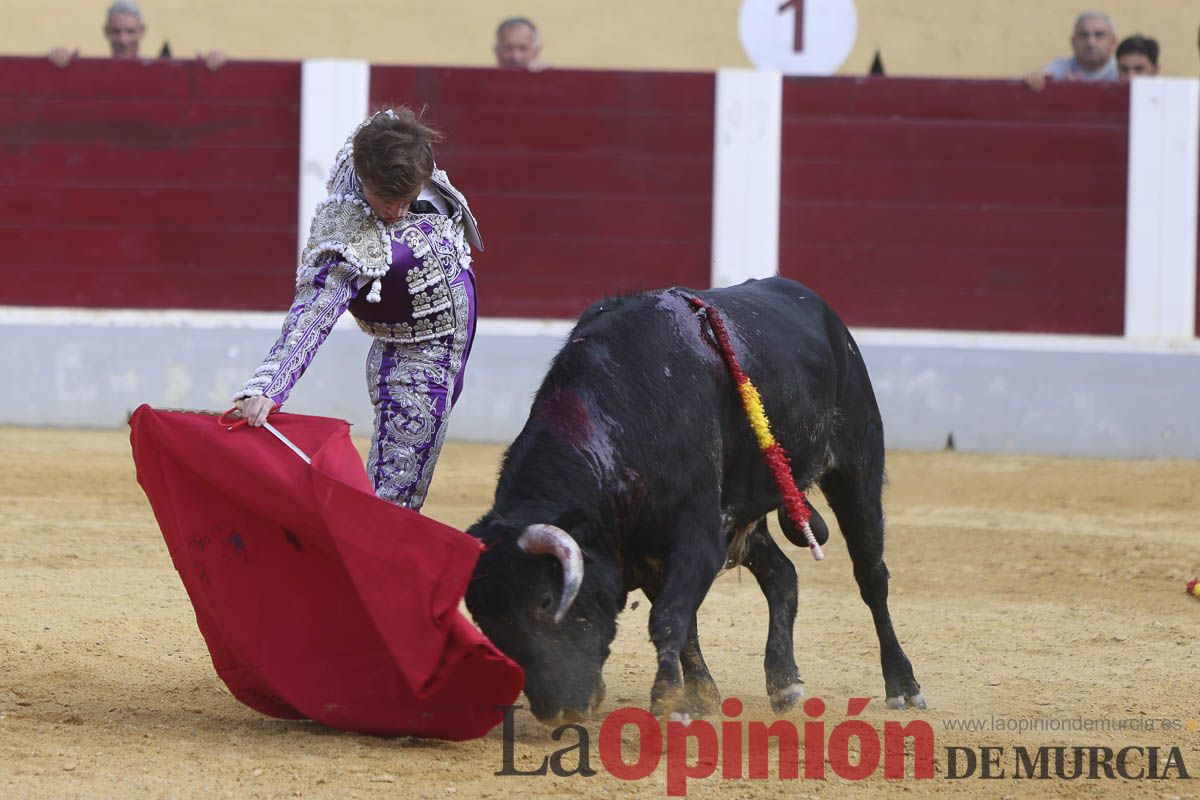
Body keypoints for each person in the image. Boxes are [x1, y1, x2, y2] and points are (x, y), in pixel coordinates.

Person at [234, 107, 483, 512]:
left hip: (440, 347)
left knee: (397, 485)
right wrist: (268, 385)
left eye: (408, 199)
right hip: (415, 357)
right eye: (387, 201)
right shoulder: (347, 231)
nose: (398, 212)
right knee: (394, 499)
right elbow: (316, 308)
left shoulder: (399, 153)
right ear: (365, 179)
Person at [49, 1, 225, 70]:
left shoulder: (161, 74)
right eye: (116, 32)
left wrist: (217, 63)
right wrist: (56, 59)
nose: (123, 40)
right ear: (106, 32)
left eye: (130, 32)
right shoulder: (90, 75)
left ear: (142, 31)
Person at [1024, 11, 1118, 91]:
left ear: (1113, 42)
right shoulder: (1058, 68)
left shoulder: (1123, 70)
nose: (1091, 42)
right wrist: (1036, 79)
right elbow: (1040, 79)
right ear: (1073, 42)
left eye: (1099, 35)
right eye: (1083, 35)